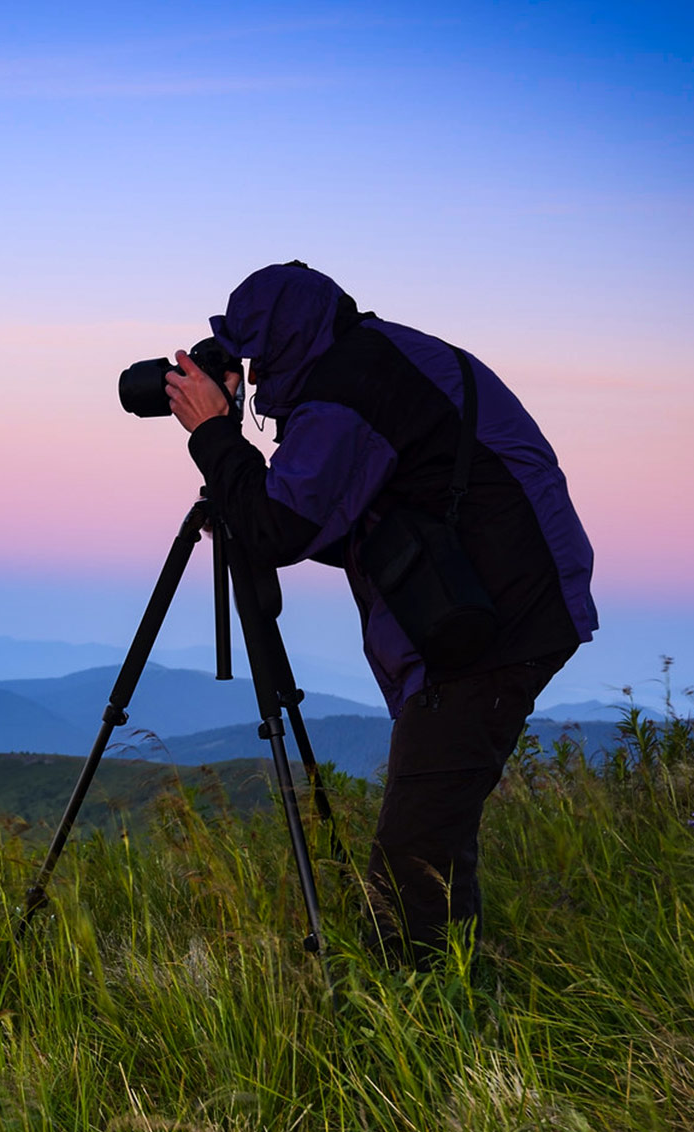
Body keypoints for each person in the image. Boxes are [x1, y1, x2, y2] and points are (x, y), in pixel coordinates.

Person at [164, 261, 597, 965]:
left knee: (412, 855)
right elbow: (347, 517)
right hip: (501, 603)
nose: (250, 372)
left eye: (250, 351)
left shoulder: (349, 388)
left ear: (282, 338)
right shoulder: (371, 363)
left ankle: (424, 1025)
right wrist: (244, 494)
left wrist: (215, 436)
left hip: (494, 622)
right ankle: (448, 997)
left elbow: (282, 528)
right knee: (433, 830)